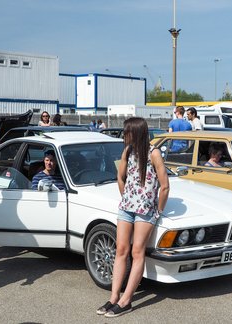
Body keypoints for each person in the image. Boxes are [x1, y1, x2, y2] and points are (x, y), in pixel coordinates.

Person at [98, 117, 169, 318]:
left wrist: (158, 211)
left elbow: (165, 186)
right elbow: (120, 177)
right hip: (126, 209)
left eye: (126, 131)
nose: (124, 134)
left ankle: (126, 300)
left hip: (146, 211)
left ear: (135, 132)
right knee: (121, 250)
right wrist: (127, 197)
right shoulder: (127, 151)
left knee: (138, 252)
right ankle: (113, 297)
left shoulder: (154, 153)